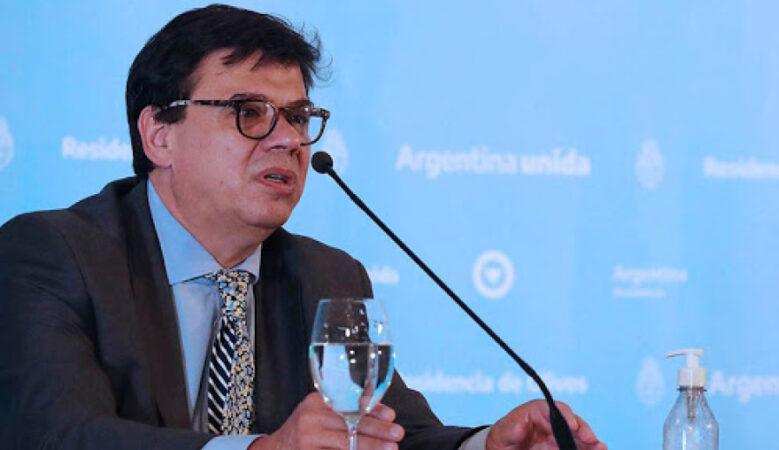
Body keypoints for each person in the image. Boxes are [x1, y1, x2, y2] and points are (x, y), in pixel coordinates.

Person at [0, 4, 606, 450]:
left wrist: (485, 445)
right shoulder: (54, 254)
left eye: (297, 116)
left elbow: (391, 434)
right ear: (159, 134)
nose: (288, 139)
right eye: (250, 112)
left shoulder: (326, 274)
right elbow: (59, 436)